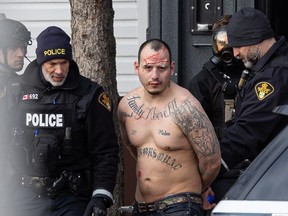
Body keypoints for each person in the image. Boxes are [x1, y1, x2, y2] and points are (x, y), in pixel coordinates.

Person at [7, 26, 119, 216]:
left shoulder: (90, 95)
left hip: (72, 195)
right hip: (24, 195)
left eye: (64, 63)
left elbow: (105, 151)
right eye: (52, 64)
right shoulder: (17, 91)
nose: (59, 70)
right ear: (40, 61)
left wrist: (100, 196)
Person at [118, 38, 221, 216]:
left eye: (162, 68)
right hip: (141, 207)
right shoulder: (126, 106)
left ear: (172, 68)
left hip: (180, 205)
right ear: (137, 68)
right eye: (148, 68)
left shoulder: (187, 107)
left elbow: (211, 162)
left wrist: (196, 188)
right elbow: (132, 146)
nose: (155, 76)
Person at [204, 7, 288, 208]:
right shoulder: (269, 69)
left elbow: (247, 131)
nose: (235, 53)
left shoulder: (274, 77)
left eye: (238, 46)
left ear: (254, 38)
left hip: (274, 177)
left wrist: (208, 173)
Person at [186, 15, 246, 141]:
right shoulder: (201, 83)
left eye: (232, 42)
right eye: (221, 42)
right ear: (213, 44)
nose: (227, 48)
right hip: (219, 153)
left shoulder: (253, 75)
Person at [0, 14, 32, 214]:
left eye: (23, 47)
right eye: (13, 48)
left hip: (17, 176)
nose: (20, 53)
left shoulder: (25, 85)